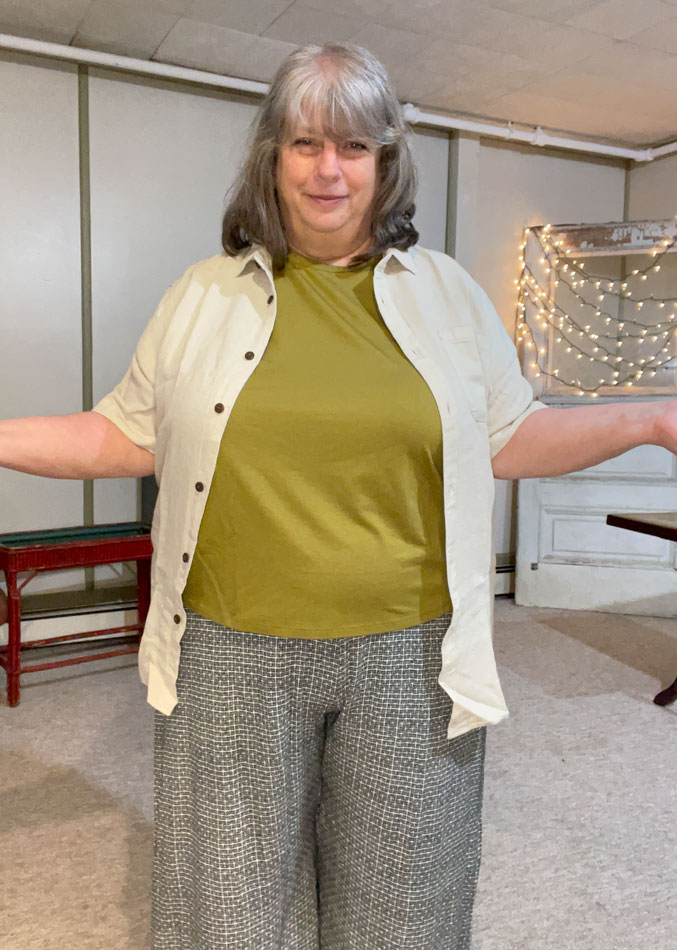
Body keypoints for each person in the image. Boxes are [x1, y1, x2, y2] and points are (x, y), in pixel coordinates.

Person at [2, 42, 676, 950]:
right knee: (226, 912)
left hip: (412, 651)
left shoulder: (446, 295)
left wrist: (653, 419)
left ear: (384, 161)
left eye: (354, 146)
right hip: (229, 649)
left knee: (404, 907)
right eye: (306, 143)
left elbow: (511, 437)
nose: (329, 170)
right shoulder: (201, 297)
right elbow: (119, 434)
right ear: (271, 156)